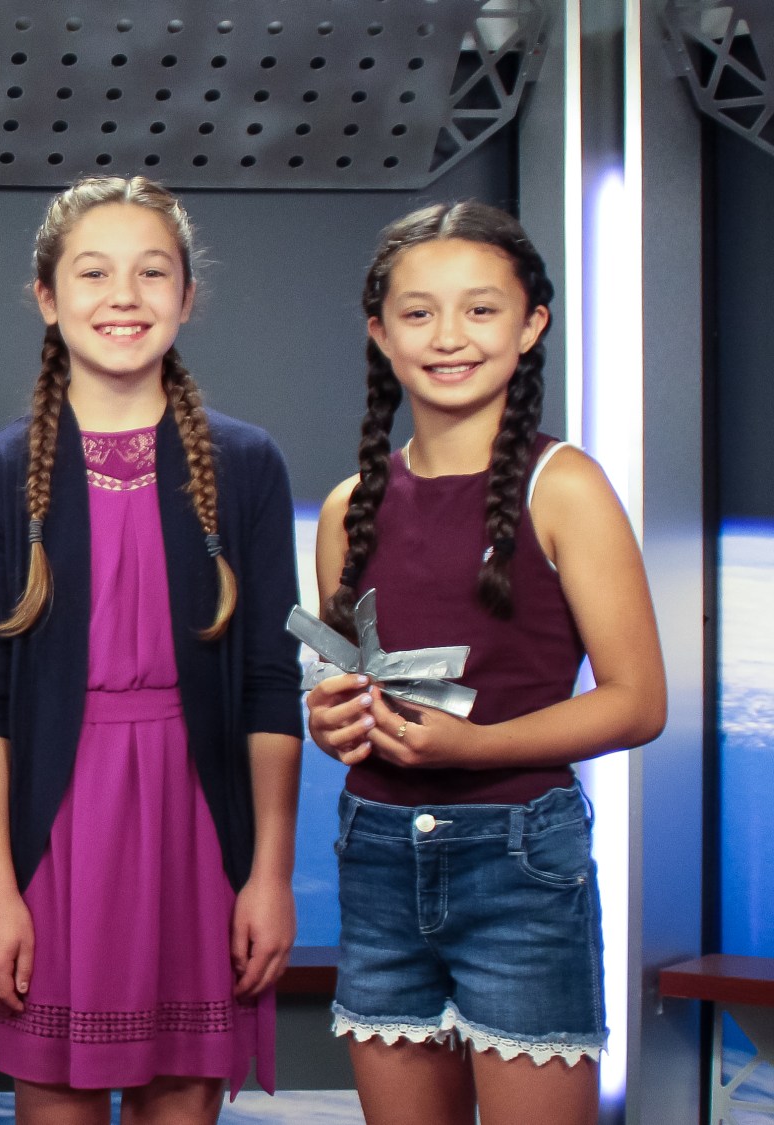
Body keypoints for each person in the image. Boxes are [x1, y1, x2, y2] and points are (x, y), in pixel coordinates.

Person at [0, 176, 303, 1122]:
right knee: (54, 1094)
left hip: (199, 833)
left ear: (187, 298)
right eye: (93, 272)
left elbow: (271, 687)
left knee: (182, 1096)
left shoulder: (247, 465)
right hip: (55, 837)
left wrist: (268, 875)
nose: (124, 296)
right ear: (47, 297)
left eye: (153, 273)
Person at [305, 201, 665, 1125]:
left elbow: (637, 702)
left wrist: (475, 746)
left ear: (532, 323)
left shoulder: (568, 485)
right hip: (376, 854)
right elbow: (348, 687)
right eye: (419, 312)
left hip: (522, 860)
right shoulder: (350, 506)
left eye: (481, 308)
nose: (450, 336)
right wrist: (332, 719)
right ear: (380, 332)